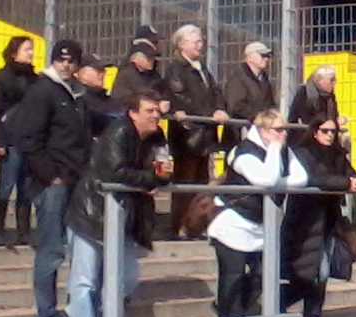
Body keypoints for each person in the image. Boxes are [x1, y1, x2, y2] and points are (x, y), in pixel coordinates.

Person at [65, 91, 170, 317]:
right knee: (84, 280)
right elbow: (114, 173)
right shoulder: (117, 133)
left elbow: (165, 172)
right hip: (92, 213)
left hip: (125, 216)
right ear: (133, 113)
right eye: (149, 111)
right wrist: (150, 180)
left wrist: (157, 178)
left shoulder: (158, 138)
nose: (155, 116)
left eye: (157, 111)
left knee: (127, 276)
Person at [206, 108, 306, 317]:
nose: (283, 134)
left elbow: (301, 178)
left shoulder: (284, 150)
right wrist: (272, 151)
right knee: (233, 276)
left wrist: (279, 180)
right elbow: (265, 180)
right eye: (278, 130)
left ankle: (229, 311)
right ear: (262, 130)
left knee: (262, 275)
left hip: (261, 227)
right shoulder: (243, 153)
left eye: (285, 129)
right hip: (233, 223)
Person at [12, 39, 90, 317]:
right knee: (51, 248)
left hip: (73, 180)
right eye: (61, 59)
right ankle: (46, 315)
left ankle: (72, 310)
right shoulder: (43, 91)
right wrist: (49, 175)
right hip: (52, 184)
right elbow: (27, 138)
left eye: (71, 60)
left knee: (74, 249)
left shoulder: (74, 94)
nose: (66, 64)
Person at [281, 115, 356, 317]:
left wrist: (353, 181)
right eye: (325, 131)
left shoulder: (337, 154)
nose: (330, 135)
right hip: (305, 223)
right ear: (315, 131)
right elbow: (313, 178)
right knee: (314, 273)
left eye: (333, 131)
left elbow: (352, 174)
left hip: (329, 221)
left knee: (320, 274)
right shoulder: (302, 152)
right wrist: (345, 183)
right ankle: (276, 304)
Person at [163, 25, 228, 238]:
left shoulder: (201, 67)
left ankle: (195, 226)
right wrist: (209, 113)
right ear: (182, 44)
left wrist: (219, 108)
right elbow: (180, 97)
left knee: (201, 184)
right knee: (185, 183)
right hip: (188, 135)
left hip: (204, 134)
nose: (201, 45)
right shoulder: (176, 68)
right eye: (196, 41)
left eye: (201, 41)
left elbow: (216, 91)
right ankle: (179, 225)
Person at [0, 35, 38, 246]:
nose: (31, 53)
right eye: (27, 49)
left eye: (32, 49)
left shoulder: (35, 80)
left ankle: (23, 230)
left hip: (30, 141)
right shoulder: (0, 79)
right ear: (14, 52)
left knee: (26, 188)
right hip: (10, 140)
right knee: (6, 185)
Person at [222, 42, 276, 136]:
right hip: (239, 132)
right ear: (249, 57)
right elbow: (236, 105)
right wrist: (259, 117)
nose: (266, 59)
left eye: (267, 56)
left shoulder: (264, 78)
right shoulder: (238, 77)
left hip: (260, 129)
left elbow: (270, 103)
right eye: (262, 55)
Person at [111, 39, 167, 113]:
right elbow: (120, 99)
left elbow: (163, 92)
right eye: (148, 58)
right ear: (135, 59)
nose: (152, 61)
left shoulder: (154, 76)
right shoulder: (125, 75)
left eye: (153, 58)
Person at [288, 65, 341, 139]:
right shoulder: (304, 92)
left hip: (326, 135)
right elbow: (305, 118)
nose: (335, 82)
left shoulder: (330, 95)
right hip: (304, 136)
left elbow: (334, 115)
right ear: (320, 80)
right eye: (332, 79)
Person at [76, 56, 123, 136]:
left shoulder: (109, 99)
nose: (102, 74)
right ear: (82, 74)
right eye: (98, 71)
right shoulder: (80, 100)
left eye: (104, 71)